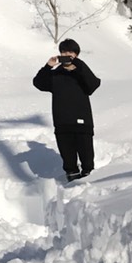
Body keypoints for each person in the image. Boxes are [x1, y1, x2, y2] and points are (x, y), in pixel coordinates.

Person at [33, 38, 101, 183]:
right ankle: (72, 185)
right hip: (62, 122)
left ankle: (90, 185)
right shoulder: (56, 74)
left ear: (76, 54)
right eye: (64, 52)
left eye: (70, 52)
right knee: (69, 161)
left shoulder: (81, 72)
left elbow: (93, 85)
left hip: (83, 122)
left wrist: (77, 65)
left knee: (87, 159)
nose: (67, 55)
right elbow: (38, 83)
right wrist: (47, 66)